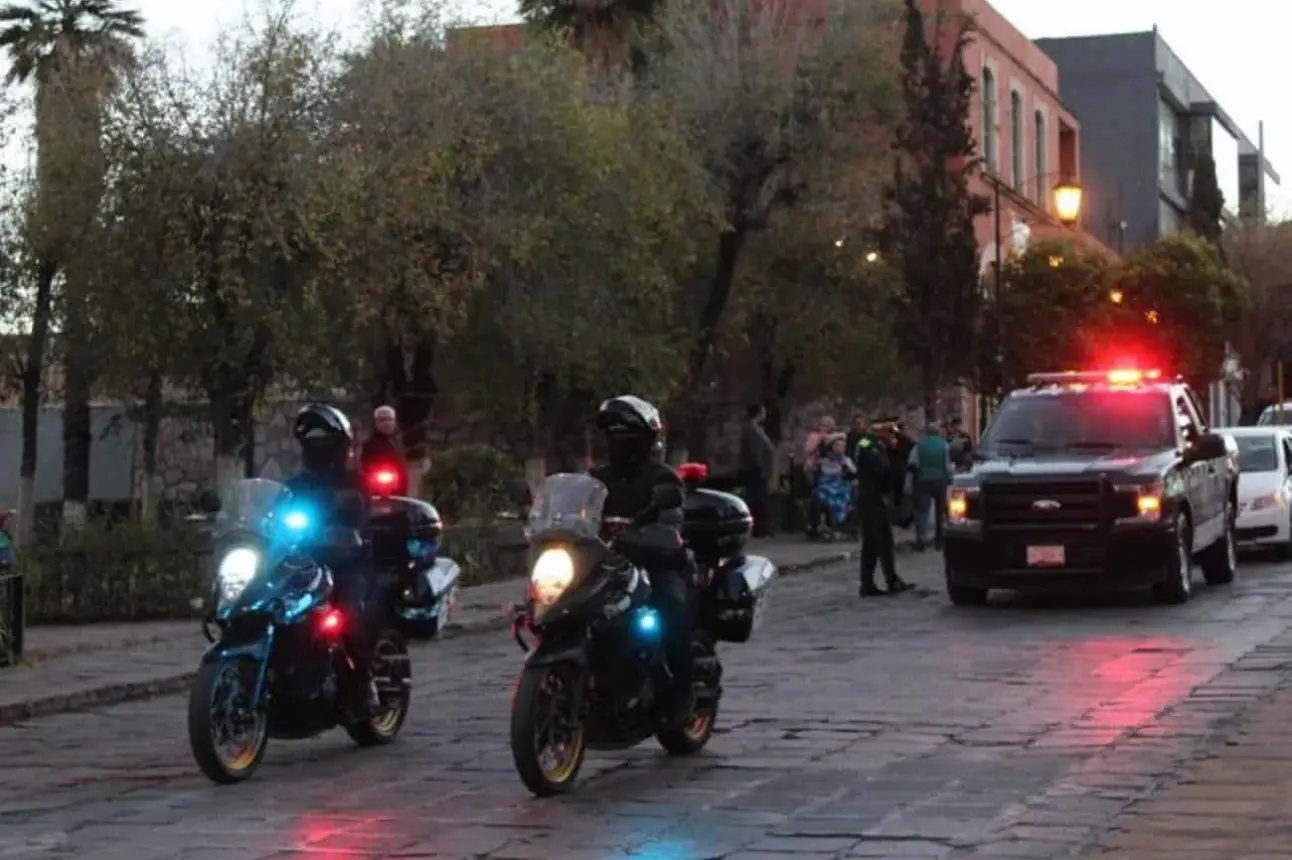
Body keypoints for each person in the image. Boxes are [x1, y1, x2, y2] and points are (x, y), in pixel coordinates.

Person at [589, 395, 694, 725]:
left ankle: (682, 690)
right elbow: (577, 510)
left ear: (645, 437)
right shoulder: (597, 478)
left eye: (626, 433)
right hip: (604, 561)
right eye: (613, 433)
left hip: (654, 560)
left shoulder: (662, 477)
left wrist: (647, 536)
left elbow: (671, 520)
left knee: (670, 609)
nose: (619, 440)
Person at [285, 403, 381, 712]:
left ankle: (365, 682)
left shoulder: (355, 483)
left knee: (347, 616)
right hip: (303, 565)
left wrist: (348, 529)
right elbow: (270, 511)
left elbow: (363, 517)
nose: (318, 448)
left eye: (324, 442)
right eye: (312, 442)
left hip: (347, 565)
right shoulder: (294, 485)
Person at [854, 420, 912, 597]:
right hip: (873, 499)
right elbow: (882, 471)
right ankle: (890, 580)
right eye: (890, 433)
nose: (892, 437)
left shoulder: (869, 444)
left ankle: (868, 583)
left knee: (871, 543)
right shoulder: (869, 446)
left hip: (870, 498)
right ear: (881, 432)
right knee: (883, 541)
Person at [908, 422, 952, 551]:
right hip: (940, 480)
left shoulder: (919, 446)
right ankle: (940, 540)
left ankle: (921, 540)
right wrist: (950, 479)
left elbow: (913, 463)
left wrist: (910, 483)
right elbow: (947, 466)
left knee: (922, 511)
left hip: (923, 480)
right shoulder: (944, 445)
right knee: (941, 511)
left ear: (926, 432)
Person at [738, 403, 776, 537]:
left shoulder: (757, 429)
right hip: (755, 470)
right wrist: (761, 467)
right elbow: (755, 452)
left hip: (759, 470)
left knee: (760, 499)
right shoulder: (750, 430)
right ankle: (760, 529)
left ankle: (763, 528)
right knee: (757, 499)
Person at [358, 405, 409, 496]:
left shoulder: (398, 443)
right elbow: (364, 466)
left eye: (389, 419)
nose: (386, 423)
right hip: (374, 490)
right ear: (376, 423)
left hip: (398, 491)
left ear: (394, 422)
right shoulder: (368, 444)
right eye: (382, 420)